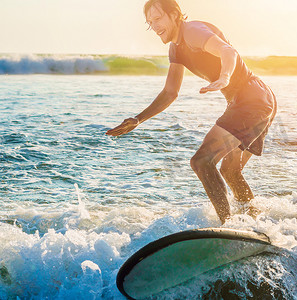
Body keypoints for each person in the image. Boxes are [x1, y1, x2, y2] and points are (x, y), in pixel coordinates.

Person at [106, 0, 277, 224]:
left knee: (202, 161)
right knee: (230, 171)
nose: (155, 27)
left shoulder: (192, 31)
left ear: (174, 14)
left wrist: (224, 77)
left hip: (251, 98)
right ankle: (254, 221)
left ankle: (229, 226)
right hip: (253, 99)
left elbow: (227, 51)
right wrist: (139, 119)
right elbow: (169, 92)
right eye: (149, 23)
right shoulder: (176, 49)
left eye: (158, 19)